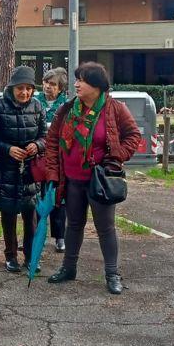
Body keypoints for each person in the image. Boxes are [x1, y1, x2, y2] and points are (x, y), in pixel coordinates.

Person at [43, 62, 142, 295]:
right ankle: (69, 268)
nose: (76, 84)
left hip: (101, 181)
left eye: (82, 80)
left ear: (97, 86)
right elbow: (52, 142)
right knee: (73, 225)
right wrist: (53, 175)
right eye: (76, 79)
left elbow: (133, 135)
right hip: (72, 180)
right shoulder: (67, 110)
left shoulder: (114, 109)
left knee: (105, 228)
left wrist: (116, 158)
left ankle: (112, 274)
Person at [0, 66, 46, 274]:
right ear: (11, 88)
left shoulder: (38, 107)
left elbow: (45, 136)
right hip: (5, 170)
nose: (25, 93)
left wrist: (37, 145)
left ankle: (30, 256)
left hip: (30, 171)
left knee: (31, 216)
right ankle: (10, 255)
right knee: (9, 215)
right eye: (20, 88)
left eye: (29, 88)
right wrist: (8, 149)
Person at [36, 67, 70, 253]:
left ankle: (60, 237)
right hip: (38, 158)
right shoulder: (35, 101)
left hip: (58, 160)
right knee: (37, 198)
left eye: (53, 84)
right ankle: (35, 235)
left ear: (60, 88)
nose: (48, 87)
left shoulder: (66, 106)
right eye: (46, 83)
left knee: (57, 198)